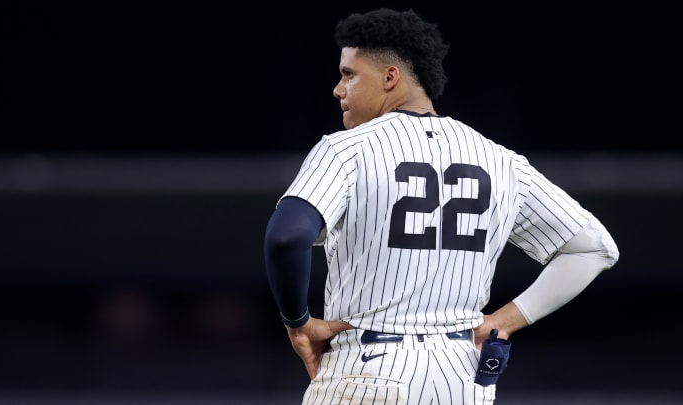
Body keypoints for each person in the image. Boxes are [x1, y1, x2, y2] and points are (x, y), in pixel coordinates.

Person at [263, 7, 619, 404]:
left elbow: (286, 236)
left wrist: (298, 324)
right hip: (462, 376)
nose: (338, 88)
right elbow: (593, 247)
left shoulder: (347, 149)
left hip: (366, 369)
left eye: (349, 74)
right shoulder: (499, 159)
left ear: (389, 77)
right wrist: (505, 321)